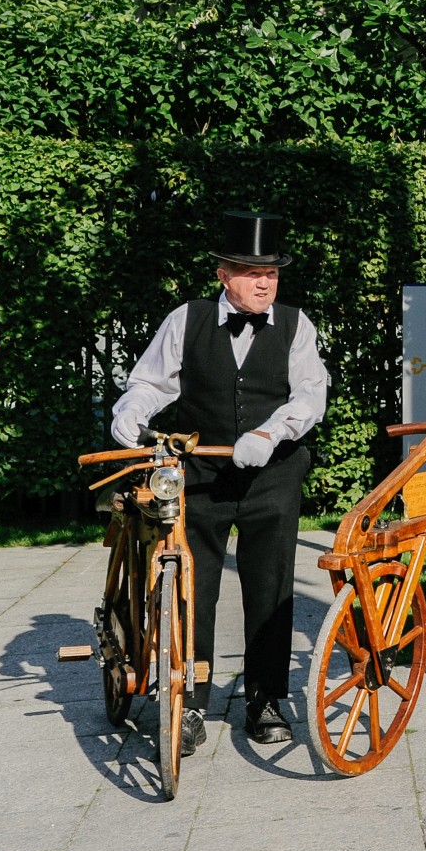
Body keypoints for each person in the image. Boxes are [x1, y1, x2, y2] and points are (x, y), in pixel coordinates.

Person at [110, 211, 328, 752]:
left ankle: (267, 699)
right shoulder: (187, 320)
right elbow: (151, 381)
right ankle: (188, 701)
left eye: (271, 273)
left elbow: (309, 397)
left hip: (273, 475)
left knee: (270, 588)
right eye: (252, 272)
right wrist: (131, 410)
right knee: (191, 586)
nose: (264, 282)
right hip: (201, 473)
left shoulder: (298, 326)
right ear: (223, 275)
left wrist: (271, 431)